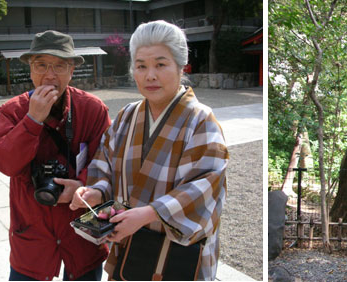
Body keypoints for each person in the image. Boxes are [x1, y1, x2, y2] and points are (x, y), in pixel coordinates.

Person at [66, 20, 228, 280]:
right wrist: (96, 191)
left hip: (177, 255)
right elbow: (104, 162)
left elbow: (205, 186)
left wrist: (149, 214)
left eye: (160, 65)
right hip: (130, 246)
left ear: (181, 67)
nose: (150, 75)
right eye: (141, 66)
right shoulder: (127, 116)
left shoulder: (200, 120)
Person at [0, 30, 113, 281]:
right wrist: (32, 120)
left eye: (59, 66)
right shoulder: (14, 111)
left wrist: (83, 183)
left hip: (82, 229)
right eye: (41, 65)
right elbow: (4, 163)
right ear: (30, 70)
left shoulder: (91, 109)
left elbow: (108, 158)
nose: (49, 74)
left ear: (71, 71)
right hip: (32, 232)